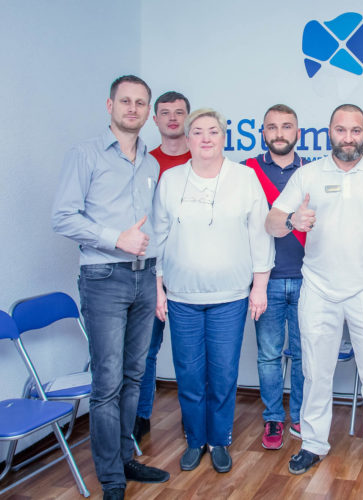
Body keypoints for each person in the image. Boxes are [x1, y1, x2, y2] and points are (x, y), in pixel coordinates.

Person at [266, 104, 363, 483]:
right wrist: (291, 220)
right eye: (340, 130)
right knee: (315, 373)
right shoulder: (308, 174)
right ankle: (313, 443)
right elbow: (272, 221)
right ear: (329, 131)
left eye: (355, 130)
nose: (348, 138)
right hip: (319, 288)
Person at [52, 75, 170, 500]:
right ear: (110, 105)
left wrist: (157, 275)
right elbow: (63, 216)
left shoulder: (151, 164)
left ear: (147, 112)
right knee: (107, 381)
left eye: (140, 103)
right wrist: (114, 237)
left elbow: (153, 226)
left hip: (143, 275)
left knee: (134, 375)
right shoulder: (84, 154)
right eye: (125, 101)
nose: (132, 109)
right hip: (104, 277)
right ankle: (111, 477)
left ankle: (124, 457)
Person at [152, 108, 274, 474]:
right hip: (181, 297)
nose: (206, 138)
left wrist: (259, 288)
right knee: (189, 375)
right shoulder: (171, 179)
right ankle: (195, 440)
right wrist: (158, 290)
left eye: (213, 131)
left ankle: (219, 440)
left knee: (222, 375)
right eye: (198, 132)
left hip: (231, 297)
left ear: (224, 138)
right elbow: (158, 237)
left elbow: (260, 236)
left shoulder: (244, 178)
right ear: (187, 139)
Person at [243, 104, 305, 450]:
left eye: (286, 126)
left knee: (303, 354)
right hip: (264, 282)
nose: (279, 133)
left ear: (298, 132)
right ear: (263, 132)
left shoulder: (312, 171)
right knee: (268, 355)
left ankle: (300, 415)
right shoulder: (246, 172)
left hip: (307, 280)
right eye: (272, 127)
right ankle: (273, 418)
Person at [134, 90, 192, 444]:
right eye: (165, 112)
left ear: (188, 118)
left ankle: (193, 417)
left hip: (189, 272)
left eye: (179, 112)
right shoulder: (145, 163)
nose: (172, 118)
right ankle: (141, 416)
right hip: (148, 272)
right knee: (145, 351)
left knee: (191, 356)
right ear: (154, 119)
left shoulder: (203, 160)